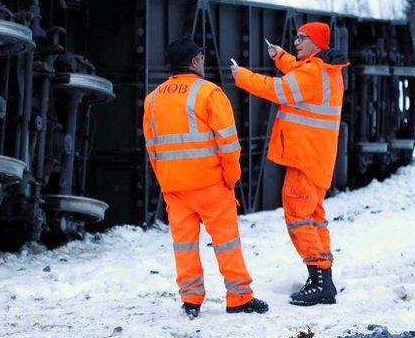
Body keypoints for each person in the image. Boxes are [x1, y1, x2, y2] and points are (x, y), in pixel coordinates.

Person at [143, 38, 268, 319]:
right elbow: (228, 143)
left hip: (175, 189)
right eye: (202, 57)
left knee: (184, 245)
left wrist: (166, 182)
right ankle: (238, 297)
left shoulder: (152, 100)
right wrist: (230, 178)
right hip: (211, 184)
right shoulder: (209, 93)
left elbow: (153, 149)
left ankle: (190, 300)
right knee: (226, 242)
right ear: (195, 61)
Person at [230, 22, 349, 306]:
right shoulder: (323, 69)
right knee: (315, 219)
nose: (296, 42)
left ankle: (319, 281)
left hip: (305, 158)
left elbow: (280, 90)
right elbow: (299, 73)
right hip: (316, 158)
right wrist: (280, 56)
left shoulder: (313, 72)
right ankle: (324, 279)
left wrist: (242, 76)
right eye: (296, 38)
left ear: (317, 42)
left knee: (298, 217)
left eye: (301, 38)